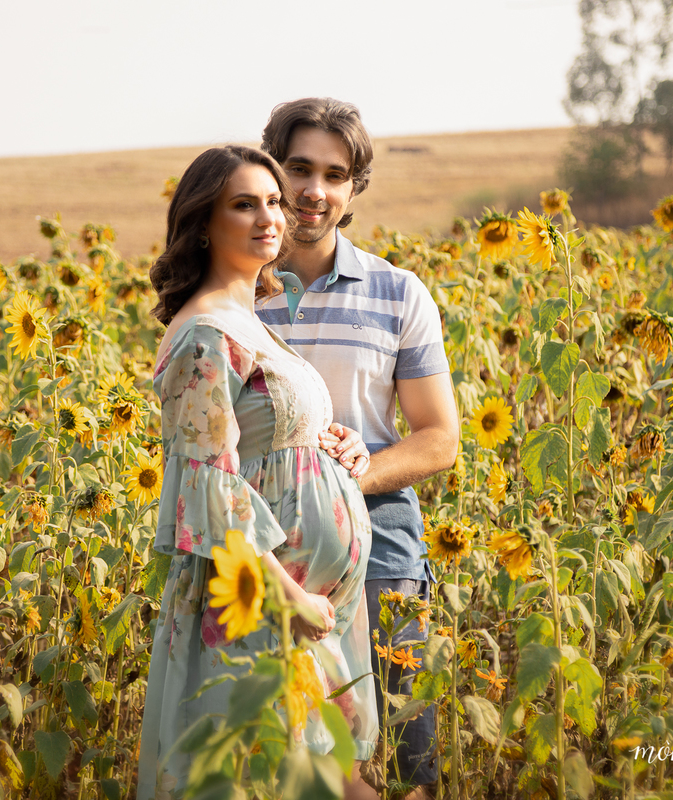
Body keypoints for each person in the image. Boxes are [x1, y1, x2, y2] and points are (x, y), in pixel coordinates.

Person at [137, 145, 380, 800]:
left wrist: (332, 442)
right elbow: (206, 482)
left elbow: (267, 443)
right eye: (243, 204)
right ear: (202, 223)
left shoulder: (249, 322)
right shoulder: (206, 334)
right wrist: (290, 597)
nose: (268, 216)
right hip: (254, 610)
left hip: (300, 618)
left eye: (273, 200)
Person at [257, 98, 460, 799]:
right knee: (291, 763)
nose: (314, 190)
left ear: (352, 190)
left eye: (334, 174)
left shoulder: (397, 293)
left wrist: (360, 470)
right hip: (265, 555)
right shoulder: (231, 292)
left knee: (406, 759)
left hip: (381, 550)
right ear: (269, 173)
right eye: (299, 168)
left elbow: (439, 438)